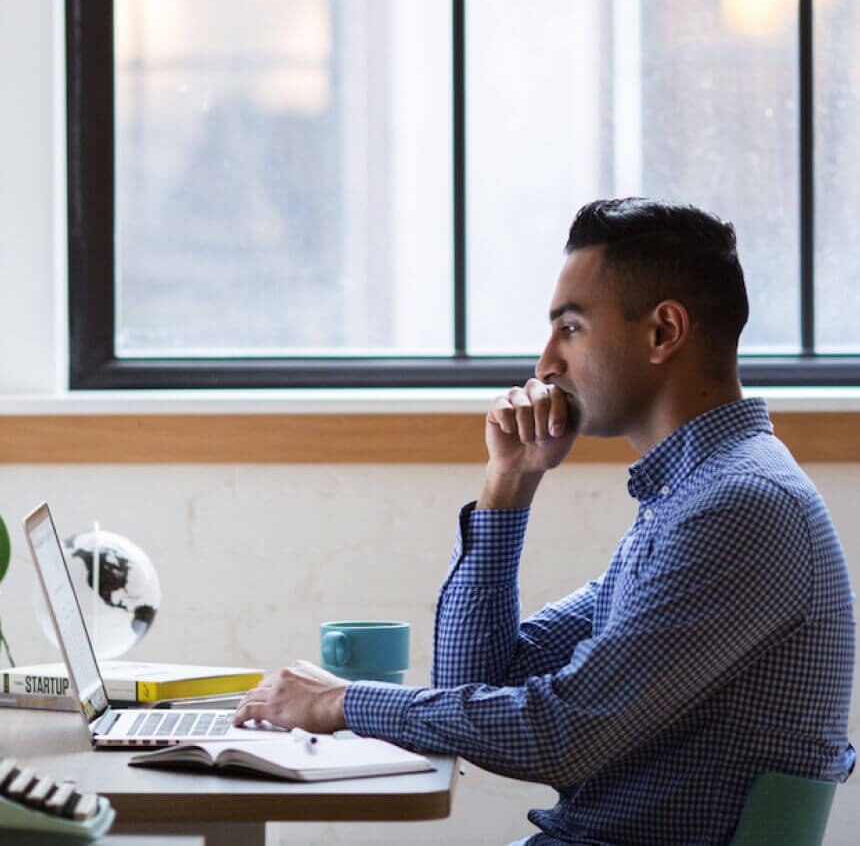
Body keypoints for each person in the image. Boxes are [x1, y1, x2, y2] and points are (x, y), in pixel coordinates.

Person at [234, 197, 856, 845]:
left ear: (663, 332)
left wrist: (341, 703)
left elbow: (562, 735)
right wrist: (510, 482)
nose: (545, 364)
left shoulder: (739, 507)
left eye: (572, 328)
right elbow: (476, 684)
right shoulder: (687, 499)